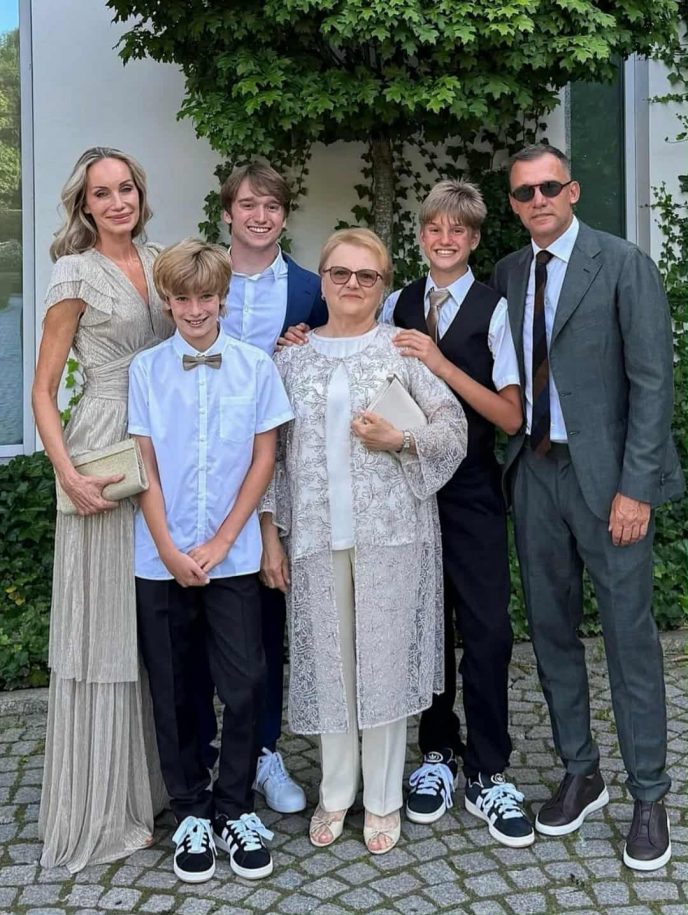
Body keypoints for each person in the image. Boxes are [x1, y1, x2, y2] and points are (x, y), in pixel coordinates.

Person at [491, 143, 685, 871]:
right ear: (514, 204)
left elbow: (653, 382)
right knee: (549, 629)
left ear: (572, 190)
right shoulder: (511, 273)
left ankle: (649, 794)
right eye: (524, 192)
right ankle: (581, 770)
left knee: (629, 637)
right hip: (535, 471)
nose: (538, 200)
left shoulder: (622, 263)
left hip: (609, 481)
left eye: (549, 187)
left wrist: (637, 487)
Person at [260, 228, 467, 855]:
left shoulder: (401, 350)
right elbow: (270, 455)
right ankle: (335, 791)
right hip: (315, 537)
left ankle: (382, 798)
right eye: (340, 273)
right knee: (332, 667)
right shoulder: (290, 358)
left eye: (366, 276)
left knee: (381, 666)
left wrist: (400, 440)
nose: (352, 284)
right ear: (321, 282)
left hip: (392, 535)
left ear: (383, 287)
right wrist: (270, 534)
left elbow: (452, 427)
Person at [129, 239, 294, 883]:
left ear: (223, 298)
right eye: (182, 299)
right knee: (173, 688)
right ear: (167, 303)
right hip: (161, 556)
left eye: (205, 297)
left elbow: (264, 458)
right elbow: (143, 463)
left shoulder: (256, 367)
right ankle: (191, 810)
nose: (195, 309)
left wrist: (225, 541)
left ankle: (235, 806)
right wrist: (170, 548)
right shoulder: (147, 370)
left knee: (246, 681)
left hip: (235, 556)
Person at [381, 180, 534, 849]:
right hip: (408, 485)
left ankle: (489, 768)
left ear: (473, 239)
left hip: (471, 490)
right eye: (434, 228)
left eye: (458, 230)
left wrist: (441, 362)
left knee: (488, 629)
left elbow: (510, 415)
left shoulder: (494, 310)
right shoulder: (396, 302)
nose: (444, 240)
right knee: (425, 626)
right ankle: (437, 754)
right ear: (421, 235)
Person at [32, 147, 169, 872]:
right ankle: (98, 805)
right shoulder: (74, 273)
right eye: (102, 193)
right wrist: (68, 474)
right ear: (83, 205)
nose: (117, 202)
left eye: (126, 189)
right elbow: (43, 388)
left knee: (150, 620)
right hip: (103, 452)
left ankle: (147, 785)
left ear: (139, 195)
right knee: (104, 624)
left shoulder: (158, 260)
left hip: (161, 442)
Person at [217, 162, 327, 813]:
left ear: (285, 215)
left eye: (272, 207)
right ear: (227, 212)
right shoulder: (201, 277)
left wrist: (306, 344)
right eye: (248, 205)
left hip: (281, 469)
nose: (260, 217)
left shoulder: (310, 288)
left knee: (265, 621)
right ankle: (197, 756)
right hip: (202, 465)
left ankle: (263, 750)